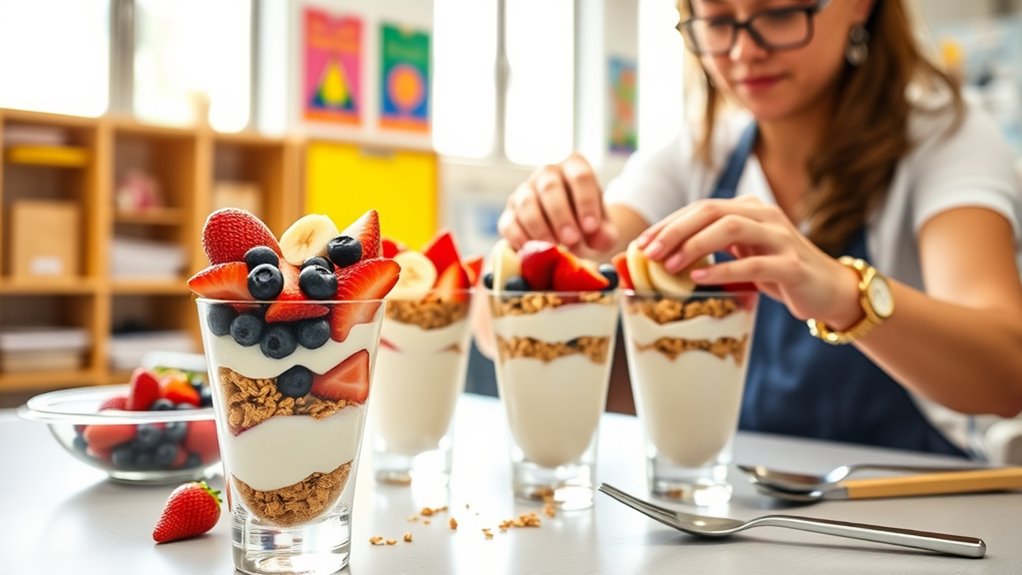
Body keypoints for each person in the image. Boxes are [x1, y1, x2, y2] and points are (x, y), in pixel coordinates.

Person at [483, 0, 1022, 458]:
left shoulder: (945, 138)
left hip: (916, 511)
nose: (744, 51)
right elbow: (491, 322)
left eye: (780, 12)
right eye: (717, 21)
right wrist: (536, 242)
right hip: (748, 509)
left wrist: (842, 292)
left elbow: (1007, 372)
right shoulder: (696, 153)